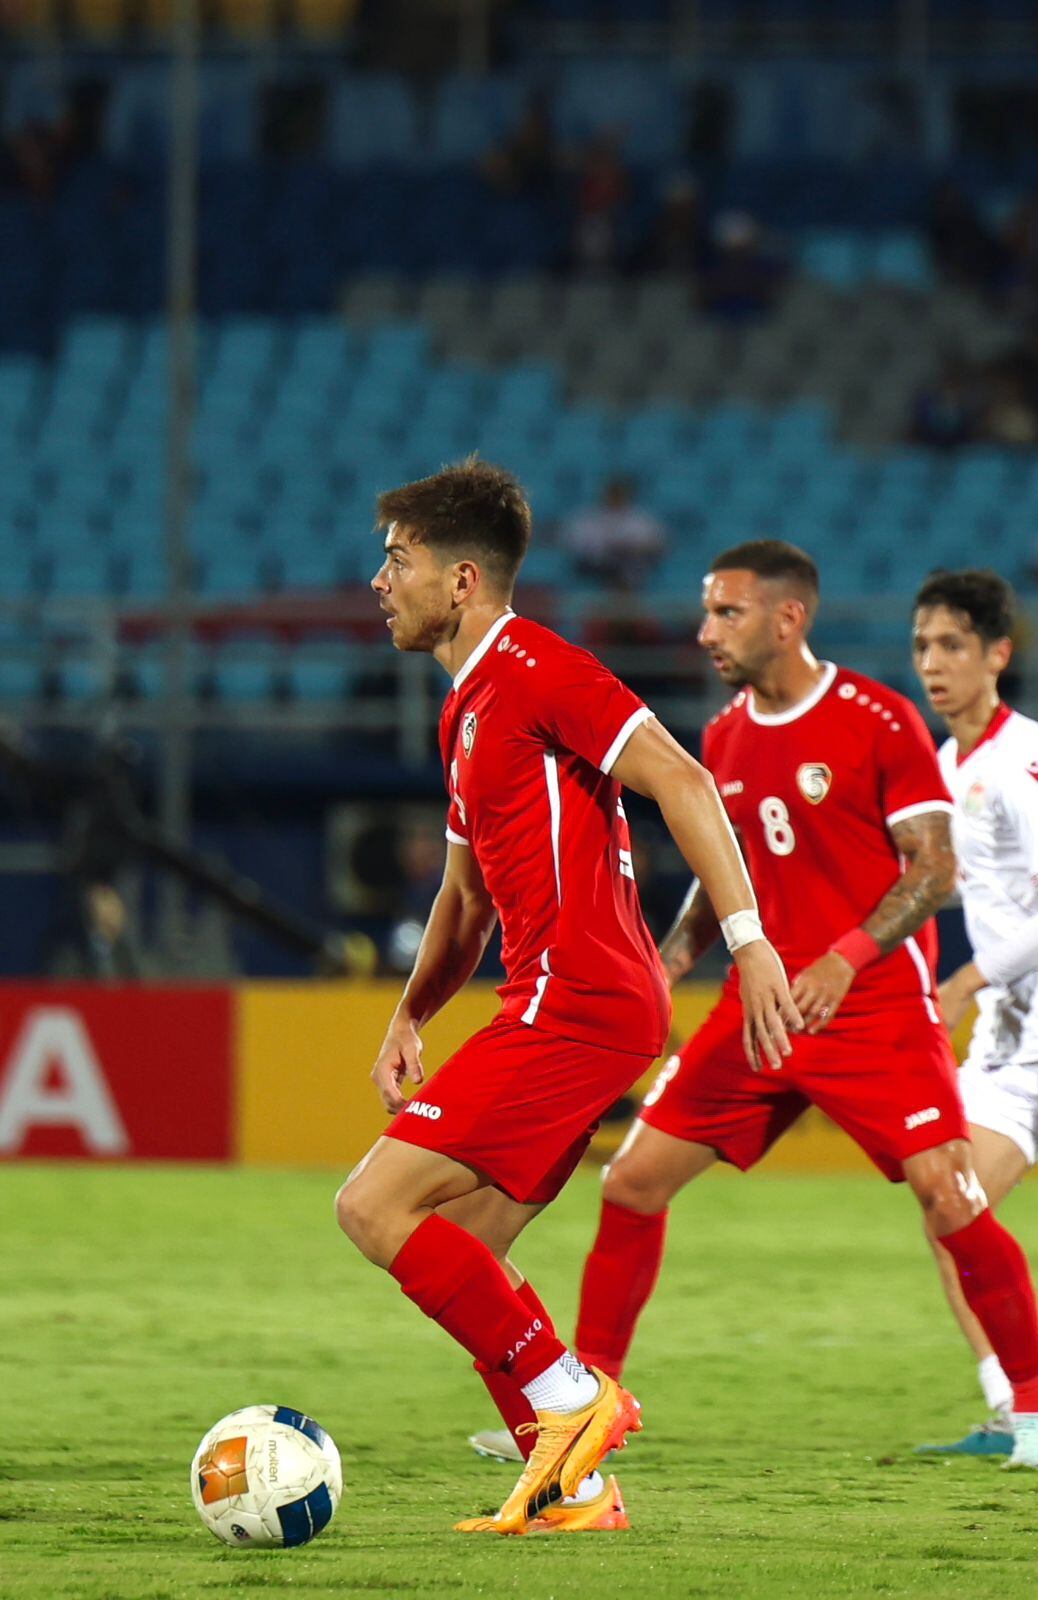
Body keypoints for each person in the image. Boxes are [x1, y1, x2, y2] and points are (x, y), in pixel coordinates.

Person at [336, 463, 800, 1536]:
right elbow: (462, 899)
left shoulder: (540, 667)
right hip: (560, 998)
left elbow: (682, 777)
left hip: (580, 996)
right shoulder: (465, 709)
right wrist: (410, 1012)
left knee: (370, 1205)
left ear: (461, 579)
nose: (377, 580)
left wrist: (749, 940)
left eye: (396, 560)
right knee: (467, 1245)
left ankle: (572, 1400)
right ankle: (576, 1491)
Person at [567, 539, 1038, 1475]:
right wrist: (666, 962)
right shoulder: (725, 737)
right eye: (705, 614)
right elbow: (721, 876)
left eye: (726, 613)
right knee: (630, 1182)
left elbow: (932, 869)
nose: (705, 632)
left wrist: (845, 958)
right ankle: (580, 1406)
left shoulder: (880, 720)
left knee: (951, 1196)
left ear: (789, 618)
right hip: (762, 1011)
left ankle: (1029, 1403)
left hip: (871, 1010)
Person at [912, 570, 1038, 1456]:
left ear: (999, 654)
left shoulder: (1021, 760)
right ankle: (1016, 1405)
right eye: (922, 646)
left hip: (1004, 1008)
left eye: (952, 644)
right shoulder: (943, 767)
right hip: (1012, 1045)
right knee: (952, 1206)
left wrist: (966, 978)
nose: (933, 663)